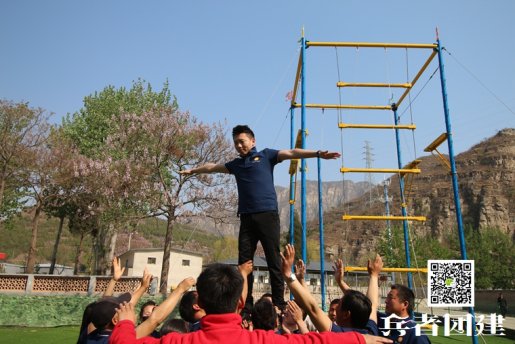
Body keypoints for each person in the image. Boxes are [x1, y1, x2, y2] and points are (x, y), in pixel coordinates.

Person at [180, 124, 340, 310]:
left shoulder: (266, 155)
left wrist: (318, 153)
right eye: (236, 143)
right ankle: (246, 305)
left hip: (267, 216)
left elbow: (292, 152)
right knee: (244, 262)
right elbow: (212, 167)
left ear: (252, 140)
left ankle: (278, 302)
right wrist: (193, 171)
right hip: (246, 218)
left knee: (273, 260)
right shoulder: (236, 165)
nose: (239, 146)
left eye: (242, 141)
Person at [110, 262, 393, 344]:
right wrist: (361, 340)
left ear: (201, 302)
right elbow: (318, 342)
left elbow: (123, 342)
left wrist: (124, 321)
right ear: (241, 301)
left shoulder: (177, 341)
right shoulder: (262, 340)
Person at [280, 244, 379, 335]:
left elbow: (313, 309)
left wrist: (289, 275)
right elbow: (372, 305)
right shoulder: (371, 331)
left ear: (346, 314)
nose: (335, 312)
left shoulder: (340, 336)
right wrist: (374, 276)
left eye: (339, 306)